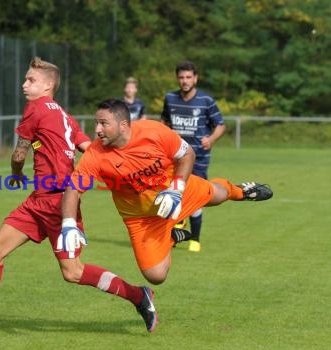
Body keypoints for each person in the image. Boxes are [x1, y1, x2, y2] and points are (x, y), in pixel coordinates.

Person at [0, 58, 168, 336]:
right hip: (39, 200)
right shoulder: (63, 114)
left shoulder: (34, 108)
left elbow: (19, 153)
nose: (25, 84)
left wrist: (15, 173)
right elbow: (89, 147)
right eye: (25, 79)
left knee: (73, 272)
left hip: (59, 203)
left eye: (30, 80)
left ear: (48, 85)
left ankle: (138, 295)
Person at [59, 99, 272, 329]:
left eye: (103, 123)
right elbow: (73, 188)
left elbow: (187, 155)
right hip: (141, 219)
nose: (97, 130)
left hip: (173, 194)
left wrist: (176, 189)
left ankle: (241, 191)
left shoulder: (153, 131)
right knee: (156, 275)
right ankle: (170, 236)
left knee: (218, 195)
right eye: (96, 123)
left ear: (123, 125)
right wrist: (68, 223)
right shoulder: (96, 154)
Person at [161, 61, 226, 252]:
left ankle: (195, 239)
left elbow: (220, 125)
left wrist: (212, 139)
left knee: (196, 195)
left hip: (199, 158)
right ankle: (176, 230)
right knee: (174, 192)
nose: (185, 81)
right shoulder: (170, 98)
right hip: (175, 157)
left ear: (195, 78)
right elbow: (164, 122)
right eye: (181, 77)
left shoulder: (206, 100)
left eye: (188, 77)